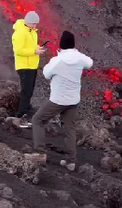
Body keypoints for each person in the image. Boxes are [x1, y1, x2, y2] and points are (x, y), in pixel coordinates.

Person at [31, 31, 93, 171]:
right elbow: (89, 63)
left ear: (61, 45)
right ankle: (71, 161)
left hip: (58, 100)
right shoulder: (79, 58)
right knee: (69, 128)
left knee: (38, 120)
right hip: (73, 100)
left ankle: (40, 153)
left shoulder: (57, 61)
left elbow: (46, 74)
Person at [11, 10, 47, 127]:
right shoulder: (20, 33)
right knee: (26, 91)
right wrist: (34, 51)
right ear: (28, 22)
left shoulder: (32, 32)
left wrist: (38, 48)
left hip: (32, 65)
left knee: (30, 90)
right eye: (33, 24)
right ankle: (20, 116)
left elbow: (30, 46)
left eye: (36, 24)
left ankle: (26, 111)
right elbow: (18, 50)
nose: (35, 26)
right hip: (24, 66)